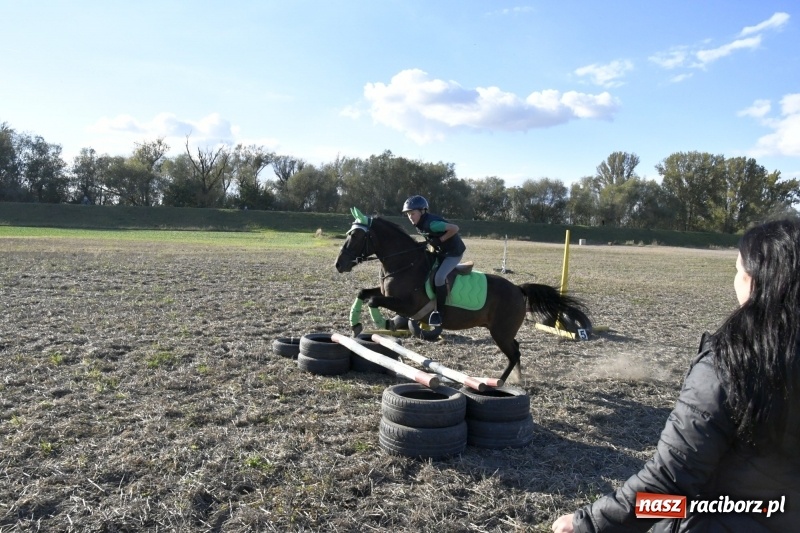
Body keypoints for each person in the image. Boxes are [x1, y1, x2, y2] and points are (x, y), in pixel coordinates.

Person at [552, 218, 800, 533]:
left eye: (739, 271)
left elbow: (671, 485)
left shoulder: (730, 363)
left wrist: (588, 523)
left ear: (757, 281)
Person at [401, 195, 466, 327]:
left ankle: (439, 313)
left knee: (439, 277)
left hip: (452, 254)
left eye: (412, 213)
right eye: (408, 214)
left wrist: (440, 240)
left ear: (422, 211)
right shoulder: (419, 223)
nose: (410, 217)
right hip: (441, 252)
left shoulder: (432, 224)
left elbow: (455, 228)